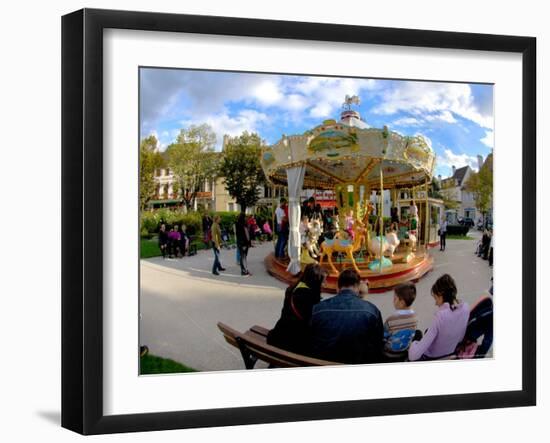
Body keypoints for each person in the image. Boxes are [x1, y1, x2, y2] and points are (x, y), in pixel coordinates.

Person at [310, 269, 384, 364]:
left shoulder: (317, 309)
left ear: (338, 287)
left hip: (324, 364)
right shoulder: (372, 311)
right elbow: (377, 343)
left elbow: (311, 339)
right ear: (357, 287)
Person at [267, 264, 328, 354]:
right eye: (323, 281)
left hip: (277, 336)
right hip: (294, 344)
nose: (325, 284)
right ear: (315, 282)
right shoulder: (310, 299)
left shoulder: (292, 289)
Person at [408, 274, 469, 361]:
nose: (435, 303)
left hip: (433, 356)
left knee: (417, 335)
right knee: (426, 332)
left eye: (435, 298)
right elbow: (460, 338)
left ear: (441, 295)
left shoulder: (441, 316)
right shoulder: (465, 308)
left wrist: (413, 344)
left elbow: (413, 356)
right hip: (450, 351)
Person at [383, 282, 418, 360]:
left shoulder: (391, 319)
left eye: (395, 298)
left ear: (401, 302)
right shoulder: (415, 317)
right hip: (405, 350)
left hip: (389, 353)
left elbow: (383, 336)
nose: (393, 301)